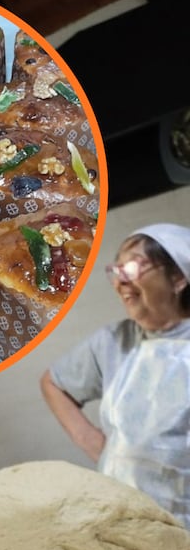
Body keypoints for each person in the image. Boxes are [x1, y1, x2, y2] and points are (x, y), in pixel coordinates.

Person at [42, 223, 190, 528]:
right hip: (121, 518)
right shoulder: (112, 342)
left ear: (178, 277)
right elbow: (53, 383)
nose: (121, 281)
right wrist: (97, 445)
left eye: (134, 267)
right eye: (117, 269)